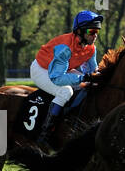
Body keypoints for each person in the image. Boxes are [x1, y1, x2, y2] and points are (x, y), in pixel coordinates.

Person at [29, 10, 102, 149]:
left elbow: (93, 72)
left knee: (87, 86)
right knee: (66, 91)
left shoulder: (91, 49)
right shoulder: (65, 48)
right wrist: (82, 78)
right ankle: (45, 135)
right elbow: (57, 79)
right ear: (80, 31)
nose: (95, 35)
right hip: (41, 70)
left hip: (62, 70)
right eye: (92, 31)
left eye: (97, 31)